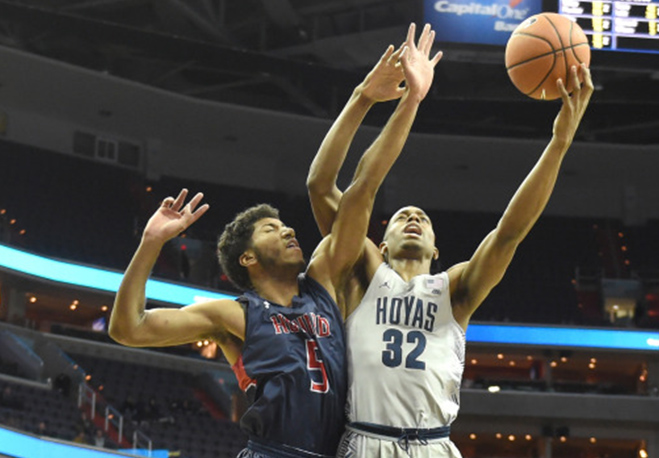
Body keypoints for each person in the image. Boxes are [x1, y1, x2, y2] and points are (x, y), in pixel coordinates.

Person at [108, 23, 440, 458]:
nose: (287, 230)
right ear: (247, 258)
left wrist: (388, 101)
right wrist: (151, 242)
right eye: (271, 229)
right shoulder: (232, 315)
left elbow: (361, 186)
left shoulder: (323, 282)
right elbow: (127, 329)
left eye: (284, 225)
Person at [307, 32, 594, 455]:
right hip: (368, 439)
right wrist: (364, 98)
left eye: (422, 218)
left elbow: (509, 232)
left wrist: (560, 143)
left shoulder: (454, 290)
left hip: (435, 444)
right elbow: (325, 185)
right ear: (380, 244)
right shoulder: (362, 271)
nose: (413, 218)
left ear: (437, 250)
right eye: (403, 215)